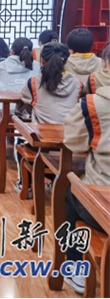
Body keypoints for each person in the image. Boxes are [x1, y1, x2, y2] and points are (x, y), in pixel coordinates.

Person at [14, 43, 81, 197]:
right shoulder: (78, 84)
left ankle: (26, 186)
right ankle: (55, 183)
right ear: (66, 61)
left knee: (22, 141)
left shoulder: (33, 83)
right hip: (69, 143)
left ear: (42, 60)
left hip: (40, 144)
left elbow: (25, 100)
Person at [61, 85, 110, 295]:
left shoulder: (93, 104)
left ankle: (74, 266)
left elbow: (73, 142)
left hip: (103, 205)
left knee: (71, 191)